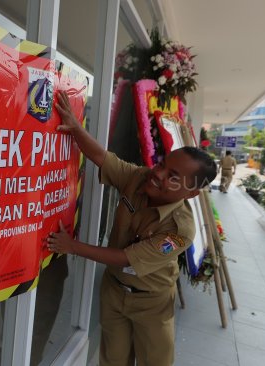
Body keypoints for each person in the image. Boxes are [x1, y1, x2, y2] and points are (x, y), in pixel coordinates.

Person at [46, 91, 217, 366]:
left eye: (172, 177)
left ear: (191, 193)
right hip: (114, 290)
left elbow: (128, 257)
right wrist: (76, 129)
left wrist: (73, 246)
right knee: (113, 359)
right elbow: (103, 158)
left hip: (152, 302)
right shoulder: (140, 178)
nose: (158, 174)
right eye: (162, 164)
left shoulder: (179, 230)